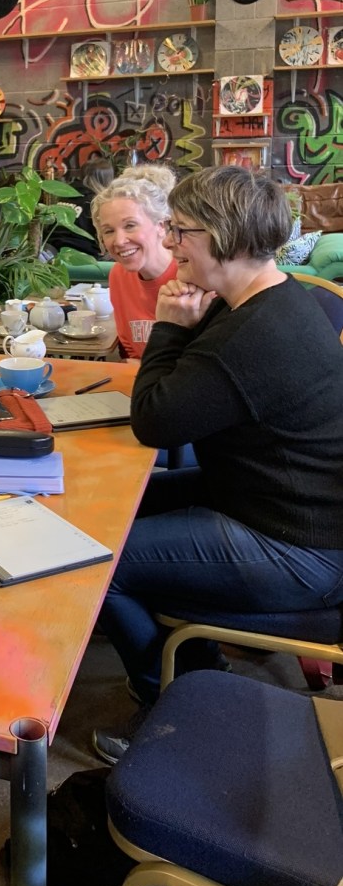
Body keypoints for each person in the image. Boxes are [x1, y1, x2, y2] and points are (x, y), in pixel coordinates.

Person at [92, 167, 343, 765]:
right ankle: (199, 668)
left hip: (297, 547)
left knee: (101, 564)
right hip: (276, 505)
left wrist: (170, 327)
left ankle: (170, 706)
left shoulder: (248, 335)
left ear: (225, 237)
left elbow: (154, 419)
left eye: (182, 231)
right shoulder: (279, 299)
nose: (171, 243)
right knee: (112, 511)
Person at [91, 163, 177, 360]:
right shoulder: (119, 275)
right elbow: (130, 350)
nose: (119, 241)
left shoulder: (193, 275)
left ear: (161, 226)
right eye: (109, 231)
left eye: (130, 226)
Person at [49, 157, 114, 259]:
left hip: (51, 251)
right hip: (82, 256)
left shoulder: (65, 195)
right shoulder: (97, 203)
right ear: (107, 180)